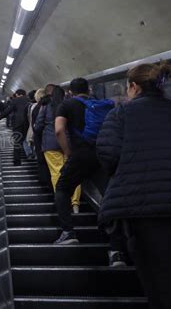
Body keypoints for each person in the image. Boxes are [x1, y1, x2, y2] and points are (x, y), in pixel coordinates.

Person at [96, 62, 171, 309]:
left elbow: (108, 155)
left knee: (157, 278)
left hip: (143, 207)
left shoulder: (121, 114)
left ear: (133, 87)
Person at [53, 77, 113, 244]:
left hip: (79, 154)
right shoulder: (101, 104)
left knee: (62, 190)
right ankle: (116, 248)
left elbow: (59, 130)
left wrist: (67, 152)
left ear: (70, 92)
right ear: (89, 90)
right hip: (102, 155)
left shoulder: (66, 105)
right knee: (108, 195)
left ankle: (68, 232)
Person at [35, 86, 81, 213]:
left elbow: (38, 126)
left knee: (56, 173)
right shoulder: (69, 105)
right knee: (74, 173)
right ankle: (75, 202)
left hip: (50, 144)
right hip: (69, 143)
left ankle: (62, 201)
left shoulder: (45, 106)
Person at [0, 89, 30, 166]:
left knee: (17, 142)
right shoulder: (29, 100)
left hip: (18, 123)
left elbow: (8, 110)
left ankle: (17, 162)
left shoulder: (15, 100)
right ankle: (30, 156)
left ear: (18, 94)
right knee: (29, 140)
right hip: (28, 123)